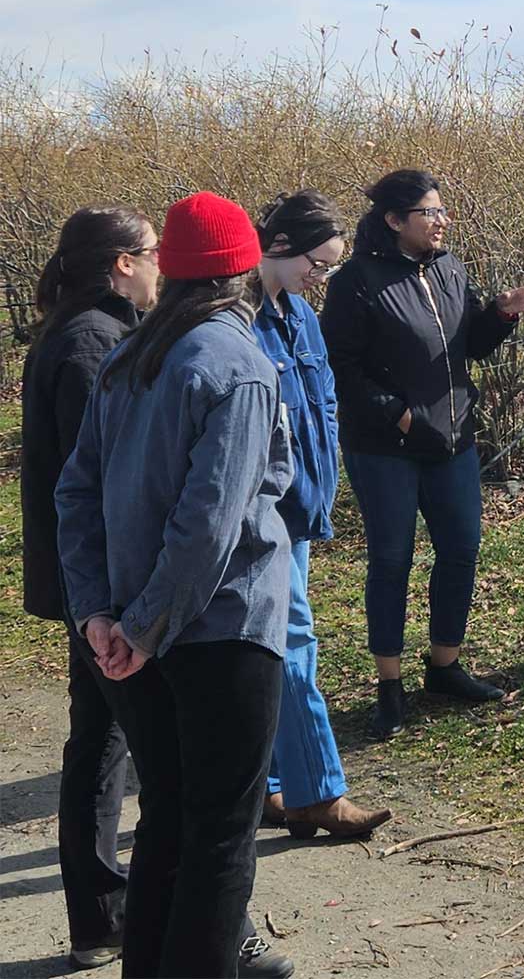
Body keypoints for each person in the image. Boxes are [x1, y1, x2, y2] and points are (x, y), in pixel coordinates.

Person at [55, 192, 296, 979]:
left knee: (166, 823)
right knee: (221, 841)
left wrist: (101, 613)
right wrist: (142, 622)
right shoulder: (238, 365)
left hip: (134, 633)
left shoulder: (132, 356)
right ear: (243, 269)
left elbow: (75, 495)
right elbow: (210, 527)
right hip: (217, 633)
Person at [320, 169, 524, 739]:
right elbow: (340, 366)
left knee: (461, 551)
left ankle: (444, 667)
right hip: (385, 448)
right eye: (430, 213)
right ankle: (389, 685)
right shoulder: (356, 281)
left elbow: (467, 346)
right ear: (396, 221)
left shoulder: (448, 269)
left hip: (453, 441)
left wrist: (499, 313)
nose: (442, 220)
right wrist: (397, 413)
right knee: (392, 560)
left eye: (443, 212)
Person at [20, 206, 157, 969]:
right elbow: (92, 481)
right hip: (100, 584)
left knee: (99, 743)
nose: (162, 263)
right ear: (121, 264)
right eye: (152, 252)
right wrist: (109, 600)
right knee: (114, 744)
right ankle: (107, 914)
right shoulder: (90, 344)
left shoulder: (88, 331)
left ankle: (99, 916)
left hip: (90, 581)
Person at [252, 192, 390, 839]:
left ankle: (273, 787)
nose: (323, 276)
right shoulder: (238, 322)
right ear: (280, 248)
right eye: (319, 262)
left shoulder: (303, 317)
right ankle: (319, 793)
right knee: (294, 645)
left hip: (301, 510)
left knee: (279, 647)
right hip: (262, 516)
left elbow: (325, 402)